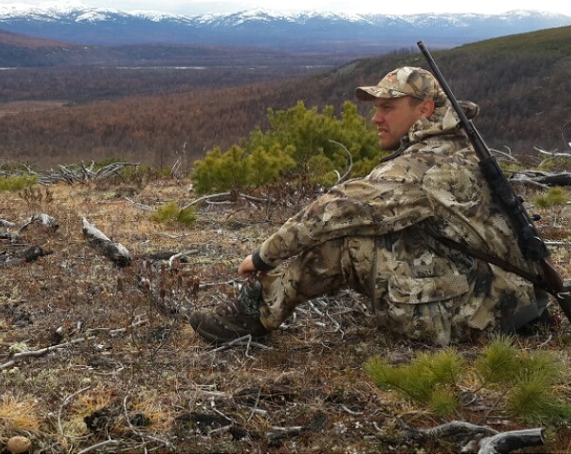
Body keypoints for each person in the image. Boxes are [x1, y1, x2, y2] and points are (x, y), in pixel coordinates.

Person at [189, 66, 549, 346]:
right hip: (504, 300)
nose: (376, 118)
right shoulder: (457, 147)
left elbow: (336, 209)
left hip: (473, 315)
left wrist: (263, 256)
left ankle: (250, 315)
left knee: (342, 240)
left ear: (424, 110)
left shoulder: (420, 168)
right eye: (376, 108)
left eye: (388, 108)